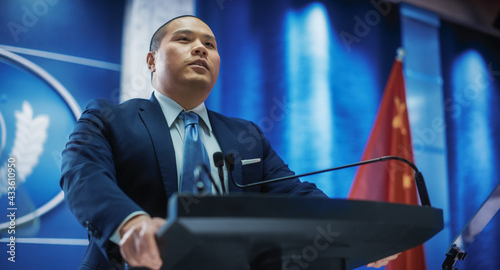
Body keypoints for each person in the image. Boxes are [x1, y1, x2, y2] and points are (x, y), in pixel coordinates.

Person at [60, 15, 397, 269]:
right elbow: (83, 174)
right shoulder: (108, 117)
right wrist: (129, 222)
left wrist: (358, 230)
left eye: (210, 45)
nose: (200, 48)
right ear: (151, 61)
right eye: (184, 39)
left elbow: (296, 195)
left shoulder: (246, 135)